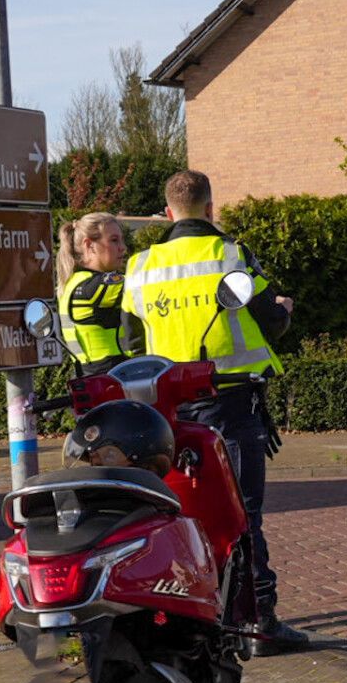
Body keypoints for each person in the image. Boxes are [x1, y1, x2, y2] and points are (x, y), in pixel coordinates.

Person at [122, 170, 310, 656]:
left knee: (172, 513)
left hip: (166, 414)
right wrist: (285, 309)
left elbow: (128, 340)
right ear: (210, 209)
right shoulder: (231, 255)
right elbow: (273, 319)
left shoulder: (141, 264)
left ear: (167, 214)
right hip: (231, 404)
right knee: (241, 516)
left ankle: (183, 612)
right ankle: (259, 621)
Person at [53, 212, 131, 375]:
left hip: (88, 376)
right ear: (89, 245)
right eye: (114, 240)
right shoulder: (96, 286)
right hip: (112, 377)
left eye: (121, 239)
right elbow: (146, 287)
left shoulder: (75, 282)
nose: (123, 247)